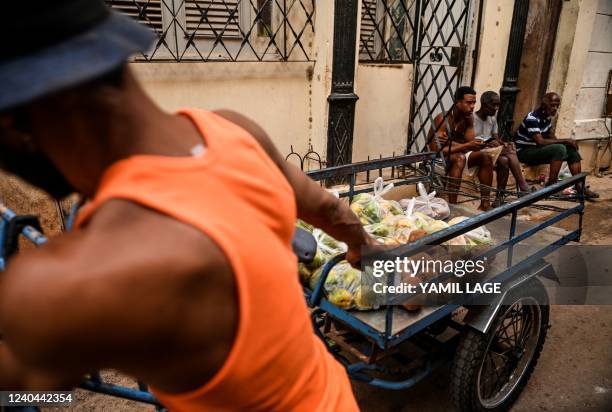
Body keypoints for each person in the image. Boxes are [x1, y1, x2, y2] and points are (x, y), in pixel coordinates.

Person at [0, 1, 372, 410]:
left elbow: (32, 388)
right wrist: (363, 248)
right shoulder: (234, 129)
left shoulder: (65, 284)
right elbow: (333, 211)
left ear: (15, 128)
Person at [515, 92, 599, 199]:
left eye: (557, 106)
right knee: (559, 148)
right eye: (552, 105)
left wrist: (566, 145)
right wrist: (564, 141)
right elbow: (540, 142)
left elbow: (551, 137)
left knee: (570, 149)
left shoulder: (547, 118)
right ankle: (551, 185)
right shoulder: (532, 118)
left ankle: (579, 186)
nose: (555, 108)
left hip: (536, 150)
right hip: (524, 152)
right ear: (544, 105)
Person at [428, 86, 494, 211]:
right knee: (460, 158)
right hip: (438, 158)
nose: (473, 106)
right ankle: (453, 205)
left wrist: (455, 143)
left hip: (457, 153)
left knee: (486, 157)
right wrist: (464, 146)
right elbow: (437, 150)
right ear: (457, 103)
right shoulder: (444, 119)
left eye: (474, 102)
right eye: (468, 102)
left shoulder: (468, 118)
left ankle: (485, 204)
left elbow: (470, 144)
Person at [474, 91, 533, 207]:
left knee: (505, 159)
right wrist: (488, 142)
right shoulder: (473, 118)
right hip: (478, 151)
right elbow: (471, 140)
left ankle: (499, 198)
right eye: (494, 105)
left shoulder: (492, 119)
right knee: (510, 152)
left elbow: (496, 138)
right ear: (485, 104)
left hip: (491, 151)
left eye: (498, 105)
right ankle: (523, 186)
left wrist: (504, 143)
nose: (496, 108)